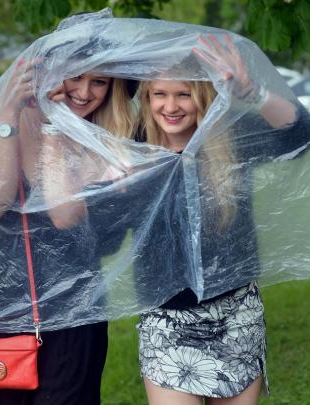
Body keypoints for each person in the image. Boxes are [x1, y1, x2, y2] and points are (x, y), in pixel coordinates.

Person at [0, 57, 135, 405]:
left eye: (100, 82)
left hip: (73, 310)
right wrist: (8, 114)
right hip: (4, 306)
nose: (84, 92)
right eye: (75, 77)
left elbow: (65, 215)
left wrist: (52, 131)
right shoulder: (6, 108)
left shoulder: (110, 134)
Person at [132, 34, 309, 405]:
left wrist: (253, 91)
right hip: (167, 323)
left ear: (202, 97)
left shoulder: (233, 136)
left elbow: (299, 134)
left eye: (183, 94)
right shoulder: (130, 149)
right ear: (147, 99)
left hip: (236, 315)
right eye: (160, 94)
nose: (171, 106)